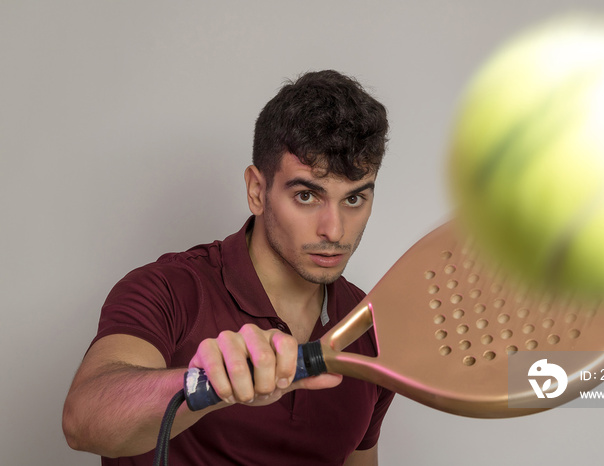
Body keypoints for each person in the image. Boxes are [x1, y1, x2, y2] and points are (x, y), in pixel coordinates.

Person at [62, 70, 395, 465]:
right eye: (307, 195)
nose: (334, 229)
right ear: (258, 190)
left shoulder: (369, 327)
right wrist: (207, 383)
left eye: (354, 200)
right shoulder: (169, 289)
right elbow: (83, 421)